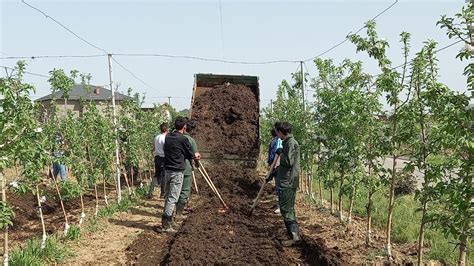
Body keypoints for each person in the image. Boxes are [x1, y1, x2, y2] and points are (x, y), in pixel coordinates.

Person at [162, 117, 201, 233]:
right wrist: (196, 156)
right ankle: (166, 225)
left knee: (168, 196)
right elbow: (190, 154)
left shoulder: (168, 137)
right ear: (184, 127)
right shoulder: (183, 139)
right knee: (173, 198)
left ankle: (168, 221)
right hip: (177, 171)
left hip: (167, 170)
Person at [274, 122, 301, 246]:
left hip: (288, 182)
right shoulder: (288, 143)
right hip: (285, 181)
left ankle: (295, 238)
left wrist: (281, 153)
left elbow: (289, 161)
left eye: (277, 132)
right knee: (287, 209)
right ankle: (292, 234)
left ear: (281, 132)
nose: (277, 134)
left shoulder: (291, 143)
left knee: (287, 209)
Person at [176, 119, 198, 219]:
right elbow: (195, 155)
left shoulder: (173, 137)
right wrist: (197, 163)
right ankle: (178, 214)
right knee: (185, 190)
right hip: (185, 168)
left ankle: (173, 211)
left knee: (175, 190)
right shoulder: (191, 140)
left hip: (174, 168)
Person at [148, 122, 168, 199]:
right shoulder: (166, 138)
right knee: (164, 176)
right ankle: (163, 193)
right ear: (167, 129)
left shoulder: (156, 137)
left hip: (157, 157)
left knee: (156, 175)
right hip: (164, 158)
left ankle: (150, 192)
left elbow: (153, 147)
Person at [266, 128, 283, 214]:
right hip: (273, 165)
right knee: (277, 186)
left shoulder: (278, 141)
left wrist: (275, 166)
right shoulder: (273, 140)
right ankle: (278, 204)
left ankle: (281, 207)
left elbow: (279, 154)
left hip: (277, 166)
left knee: (279, 186)